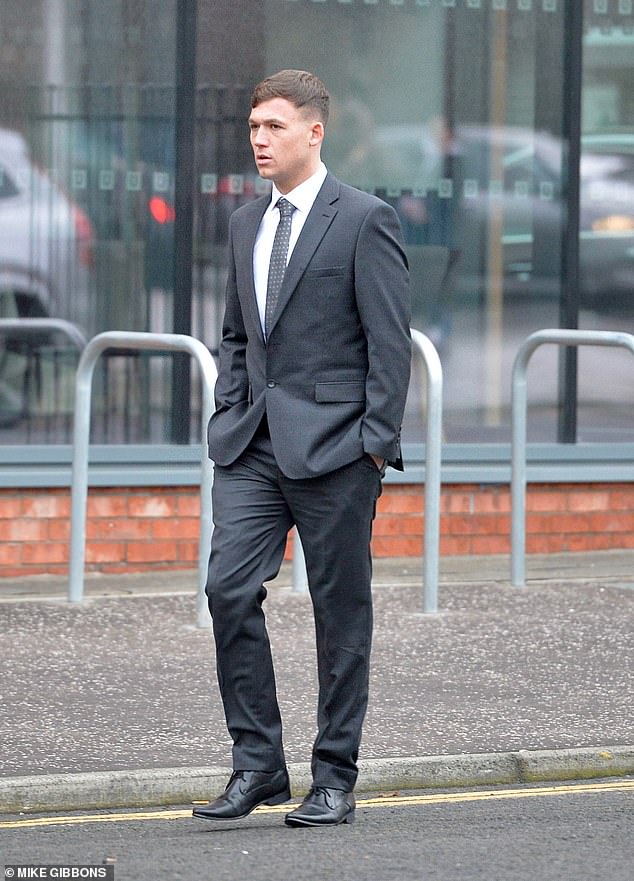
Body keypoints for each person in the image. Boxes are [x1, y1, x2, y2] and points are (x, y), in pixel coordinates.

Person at [193, 69, 411, 828]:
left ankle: (334, 776)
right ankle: (258, 764)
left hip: (337, 450)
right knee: (227, 590)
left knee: (338, 613)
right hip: (252, 445)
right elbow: (235, 334)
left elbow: (390, 343)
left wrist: (374, 446)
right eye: (254, 127)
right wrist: (228, 410)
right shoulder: (245, 223)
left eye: (274, 127)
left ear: (315, 132)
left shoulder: (365, 219)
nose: (259, 140)